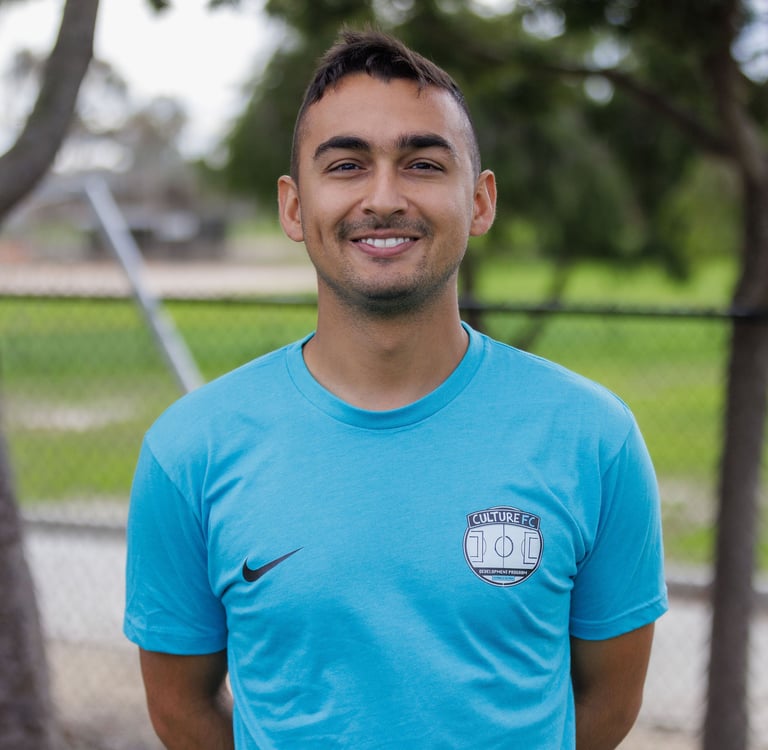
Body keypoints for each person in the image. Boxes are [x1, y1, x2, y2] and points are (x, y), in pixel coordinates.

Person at [124, 28, 667, 750]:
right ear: (294, 206)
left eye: (423, 164)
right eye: (346, 165)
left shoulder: (593, 438)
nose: (383, 198)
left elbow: (607, 704)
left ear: (480, 201)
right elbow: (179, 710)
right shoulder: (189, 451)